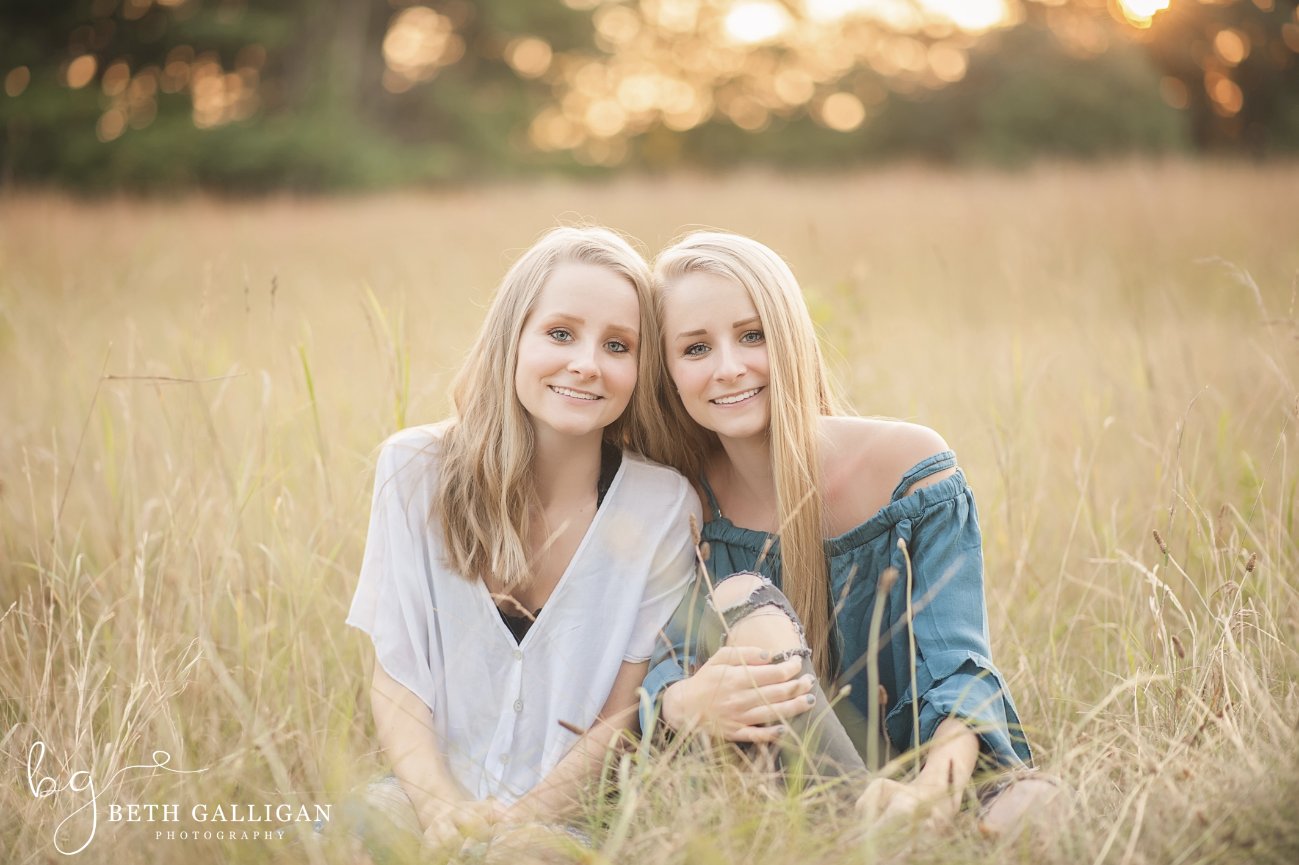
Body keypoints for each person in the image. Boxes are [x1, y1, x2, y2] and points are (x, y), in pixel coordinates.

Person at [642, 230, 1054, 832]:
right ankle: (861, 831)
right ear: (668, 370)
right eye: (696, 348)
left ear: (790, 336)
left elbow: (958, 668)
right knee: (737, 598)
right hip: (785, 798)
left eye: (753, 335)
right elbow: (658, 668)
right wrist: (683, 701)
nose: (730, 368)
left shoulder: (908, 472)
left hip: (934, 776)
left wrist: (929, 794)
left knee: (1039, 810)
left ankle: (910, 832)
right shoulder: (677, 502)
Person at [345, 226, 700, 859]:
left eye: (617, 345)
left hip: (569, 818)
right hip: (420, 796)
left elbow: (619, 716)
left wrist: (520, 825)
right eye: (560, 333)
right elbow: (396, 676)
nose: (586, 362)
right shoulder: (413, 469)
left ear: (640, 369)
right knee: (353, 838)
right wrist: (440, 808)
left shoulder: (662, 506)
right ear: (513, 338)